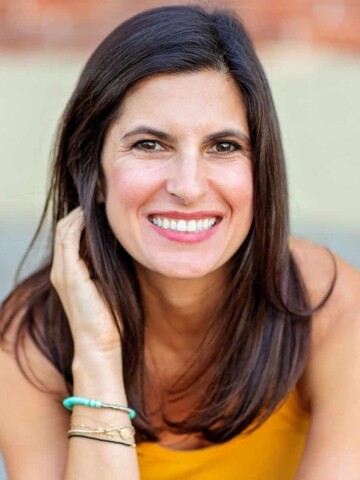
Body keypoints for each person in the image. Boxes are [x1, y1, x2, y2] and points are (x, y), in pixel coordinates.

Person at [0, 4, 359, 479]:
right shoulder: (29, 341)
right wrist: (97, 354)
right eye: (150, 145)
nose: (188, 187)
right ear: (95, 173)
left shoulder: (332, 309)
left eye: (224, 146)